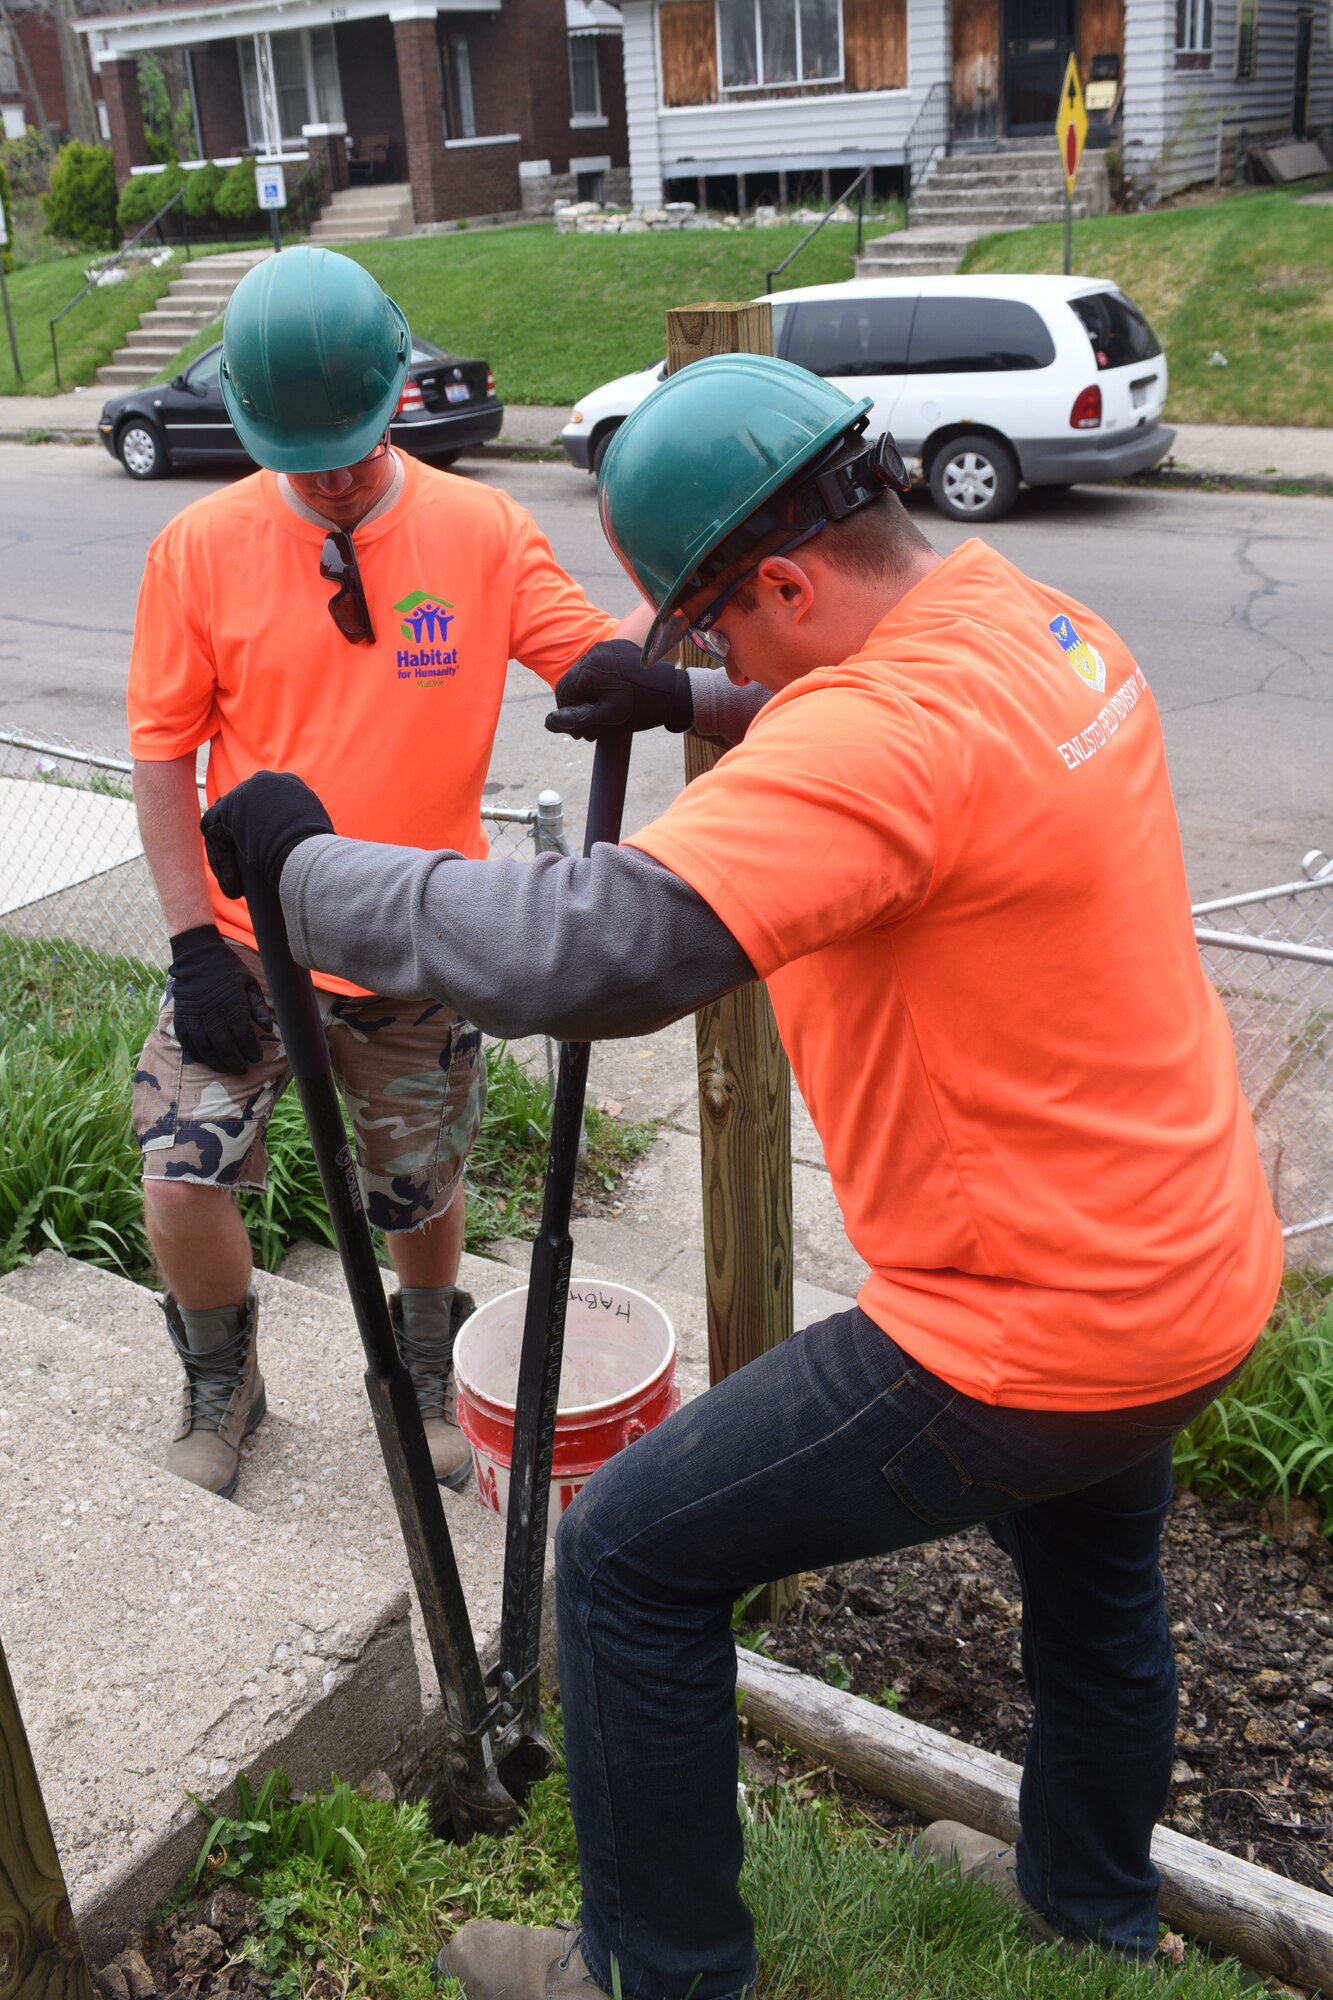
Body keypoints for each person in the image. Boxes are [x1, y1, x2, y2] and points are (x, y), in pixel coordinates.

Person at [202, 353, 1282, 1998]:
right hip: (1182, 1261)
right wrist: (698, 705)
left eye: (707, 628)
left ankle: (653, 1972)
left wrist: (303, 867)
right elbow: (875, 741)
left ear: (782, 577)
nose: (710, 653)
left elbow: (589, 950)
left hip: (1027, 1322)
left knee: (632, 1557)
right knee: (1094, 1592)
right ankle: (1091, 1910)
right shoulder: (1031, 627)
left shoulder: (881, 729)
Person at [128, 244, 643, 1502]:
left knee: (418, 1187)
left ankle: (423, 1367)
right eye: (304, 454)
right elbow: (162, 756)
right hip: (249, 944)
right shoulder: (198, 549)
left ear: (393, 396)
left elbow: (587, 657)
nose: (336, 472)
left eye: (354, 442)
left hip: (418, 938)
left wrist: (660, 634)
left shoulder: (476, 528)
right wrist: (197, 939)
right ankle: (223, 1377)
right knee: (176, 1180)